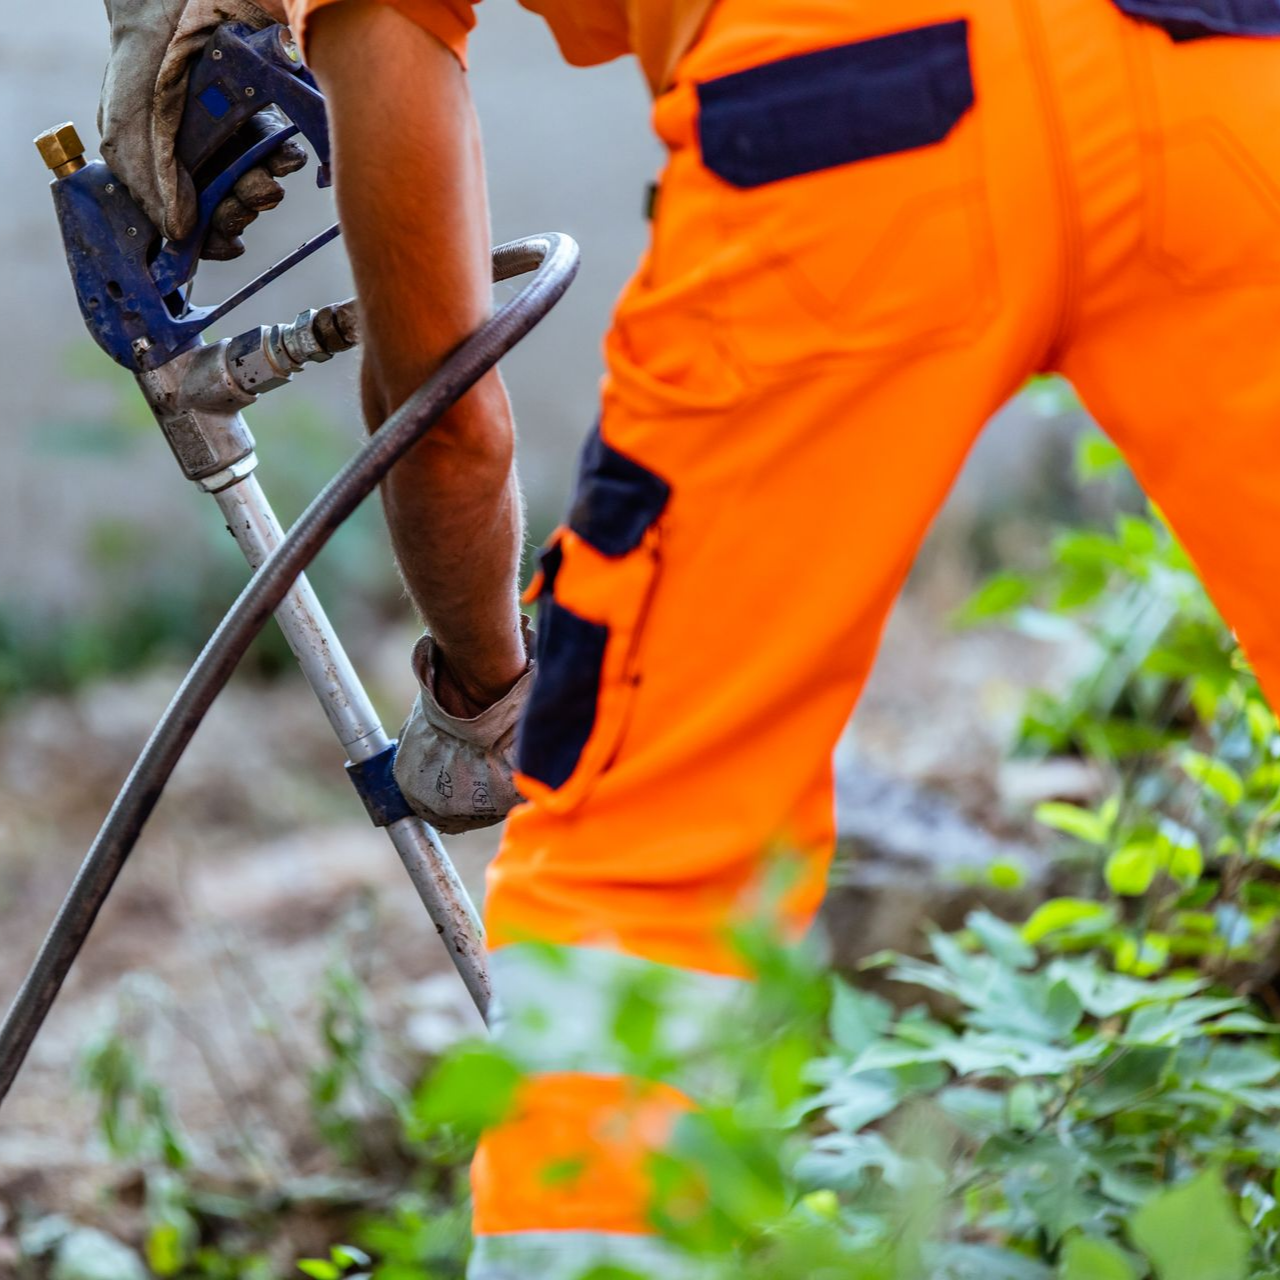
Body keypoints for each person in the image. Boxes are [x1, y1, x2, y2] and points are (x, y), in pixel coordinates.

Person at [98, 0, 1280, 1273]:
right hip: (1227, 75)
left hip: (860, 113)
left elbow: (446, 417)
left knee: (642, 879)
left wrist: (487, 690)